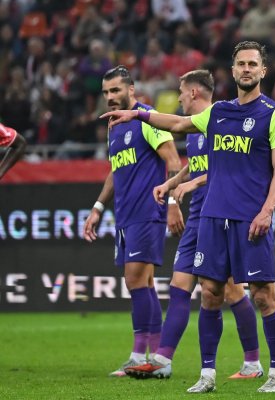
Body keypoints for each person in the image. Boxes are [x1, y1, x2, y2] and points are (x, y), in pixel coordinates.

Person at [100, 41, 275, 394]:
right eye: (241, 64)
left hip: (250, 218)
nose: (247, 69)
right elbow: (179, 122)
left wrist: (267, 211)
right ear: (233, 70)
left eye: (253, 64)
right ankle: (207, 374)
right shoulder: (219, 112)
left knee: (264, 295)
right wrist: (138, 115)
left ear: (263, 71)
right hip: (212, 218)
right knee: (210, 294)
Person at [123, 69, 263, 380]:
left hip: (219, 214)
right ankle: (163, 360)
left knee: (231, 292)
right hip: (198, 216)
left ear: (194, 93)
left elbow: (230, 168)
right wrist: (173, 182)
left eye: (182, 92)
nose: (179, 98)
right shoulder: (195, 130)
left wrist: (191, 185)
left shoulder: (222, 122)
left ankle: (253, 363)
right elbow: (197, 164)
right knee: (179, 285)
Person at [83, 65, 183, 377]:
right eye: (106, 92)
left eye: (115, 90)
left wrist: (172, 203)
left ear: (131, 89)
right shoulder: (113, 126)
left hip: (147, 212)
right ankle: (154, 358)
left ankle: (139, 355)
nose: (110, 97)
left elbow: (174, 161)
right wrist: (98, 206)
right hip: (125, 215)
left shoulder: (149, 118)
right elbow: (116, 169)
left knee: (136, 281)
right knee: (144, 283)